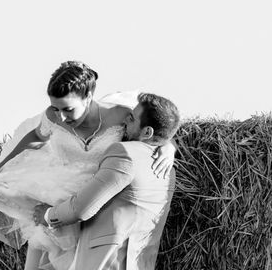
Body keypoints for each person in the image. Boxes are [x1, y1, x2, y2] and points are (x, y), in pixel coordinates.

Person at [0, 62, 177, 270]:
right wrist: (1, 164)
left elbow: (154, 128)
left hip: (94, 201)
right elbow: (36, 136)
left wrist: (168, 147)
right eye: (56, 108)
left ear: (89, 96)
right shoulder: (52, 117)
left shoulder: (120, 115)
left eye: (68, 109)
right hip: (57, 195)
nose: (61, 116)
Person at [33, 93, 181, 270]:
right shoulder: (168, 172)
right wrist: (169, 146)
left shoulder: (125, 153)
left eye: (132, 118)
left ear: (147, 132)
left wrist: (48, 215)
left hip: (104, 262)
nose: (126, 120)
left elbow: (81, 208)